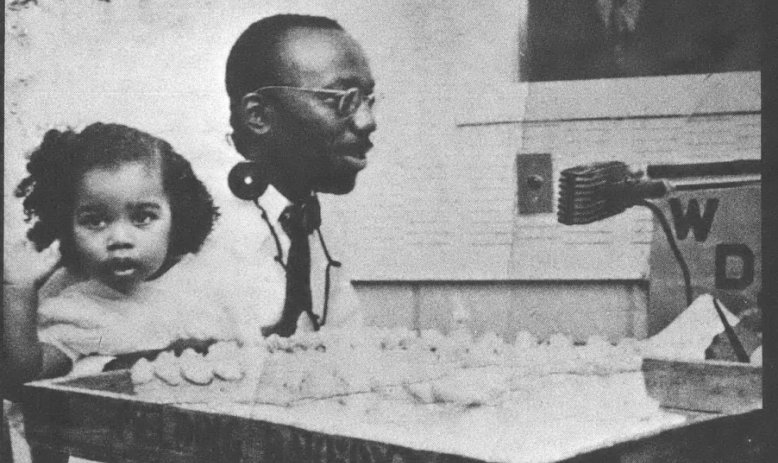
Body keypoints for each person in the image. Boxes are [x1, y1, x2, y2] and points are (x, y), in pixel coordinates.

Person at [2, 122, 232, 401]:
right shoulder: (77, 307)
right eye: (94, 221)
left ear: (177, 216)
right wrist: (18, 289)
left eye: (143, 217)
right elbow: (26, 376)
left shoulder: (206, 277)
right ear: (65, 226)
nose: (119, 238)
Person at [204, 13, 378, 337]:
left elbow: (345, 340)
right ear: (258, 115)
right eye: (343, 100)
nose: (367, 122)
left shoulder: (313, 221)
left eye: (367, 100)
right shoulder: (195, 229)